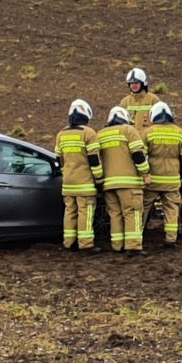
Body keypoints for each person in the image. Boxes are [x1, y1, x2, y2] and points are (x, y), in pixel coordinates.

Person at [96, 106, 151, 255]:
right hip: (129, 184)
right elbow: (138, 155)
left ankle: (117, 245)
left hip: (108, 184)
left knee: (115, 214)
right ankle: (133, 247)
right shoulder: (129, 130)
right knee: (132, 213)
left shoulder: (100, 134)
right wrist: (146, 172)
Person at [140, 101, 182, 249]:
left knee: (143, 207)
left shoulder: (147, 132)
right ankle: (171, 239)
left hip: (152, 181)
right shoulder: (180, 133)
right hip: (172, 180)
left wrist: (145, 174)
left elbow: (141, 155)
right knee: (171, 209)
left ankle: (139, 235)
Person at [53, 99, 103, 252]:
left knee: (70, 212)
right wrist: (99, 179)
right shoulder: (88, 133)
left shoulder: (61, 134)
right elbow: (94, 159)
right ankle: (86, 244)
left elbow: (58, 159)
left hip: (68, 183)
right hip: (85, 183)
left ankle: (69, 242)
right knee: (85, 213)